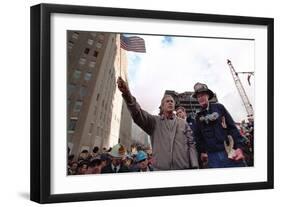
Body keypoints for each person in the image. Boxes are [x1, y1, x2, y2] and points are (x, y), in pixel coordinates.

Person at [117, 77, 198, 171]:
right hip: (160, 171)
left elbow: (191, 144)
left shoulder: (183, 123)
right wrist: (127, 94)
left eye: (172, 101)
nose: (170, 103)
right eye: (167, 101)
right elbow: (138, 113)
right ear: (162, 106)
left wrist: (194, 165)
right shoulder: (154, 122)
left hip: (182, 169)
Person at [192, 82, 246, 168]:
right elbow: (198, 137)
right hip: (213, 157)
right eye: (198, 96)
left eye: (202, 95)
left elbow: (232, 128)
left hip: (229, 151)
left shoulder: (219, 108)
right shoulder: (198, 117)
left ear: (208, 96)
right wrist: (202, 151)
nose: (200, 98)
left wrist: (239, 147)